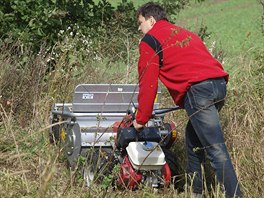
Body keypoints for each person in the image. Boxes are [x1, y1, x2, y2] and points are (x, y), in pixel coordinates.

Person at [132, 2, 242, 198]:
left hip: (198, 91)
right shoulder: (184, 33)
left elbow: (148, 84)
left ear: (151, 20)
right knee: (193, 142)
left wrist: (141, 119)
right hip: (219, 86)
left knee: (215, 149)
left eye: (140, 23)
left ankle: (235, 195)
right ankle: (196, 193)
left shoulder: (150, 39)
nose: (139, 28)